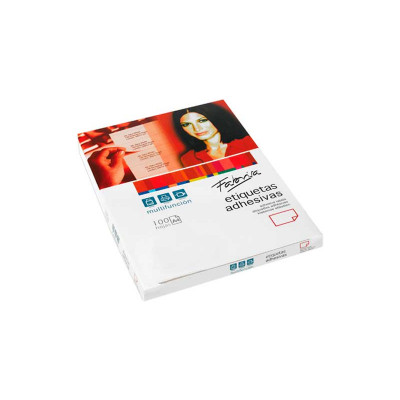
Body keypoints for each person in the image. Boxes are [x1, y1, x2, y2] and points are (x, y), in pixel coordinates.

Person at [172, 103, 257, 167]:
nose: (197, 129)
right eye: (187, 124)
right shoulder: (189, 158)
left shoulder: (249, 142)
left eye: (202, 120)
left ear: (216, 118)